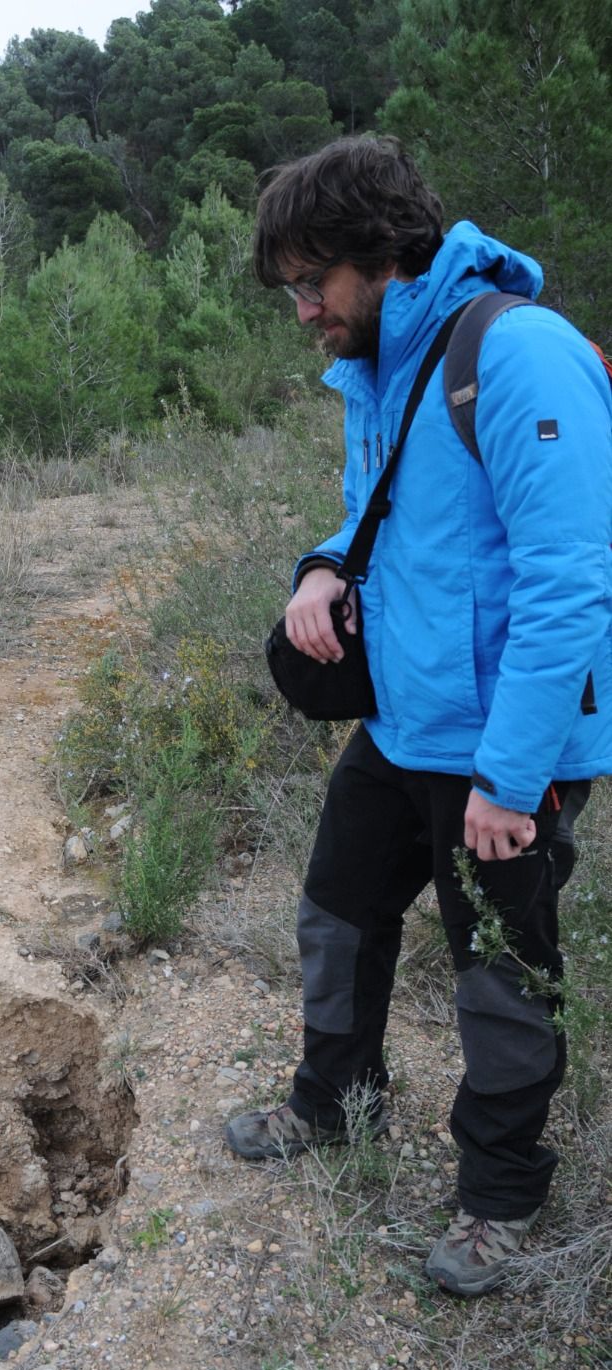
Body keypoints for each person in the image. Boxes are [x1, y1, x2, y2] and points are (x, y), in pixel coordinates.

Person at [223, 136, 612, 1297]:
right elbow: (377, 515)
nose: (303, 310)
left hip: (501, 750)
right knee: (337, 915)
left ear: (384, 254)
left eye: (314, 282)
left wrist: (511, 778)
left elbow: (569, 582)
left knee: (499, 972)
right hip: (402, 725)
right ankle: (334, 1105)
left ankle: (500, 1196)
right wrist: (320, 569)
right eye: (291, 289)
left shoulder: (519, 354)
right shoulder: (383, 367)